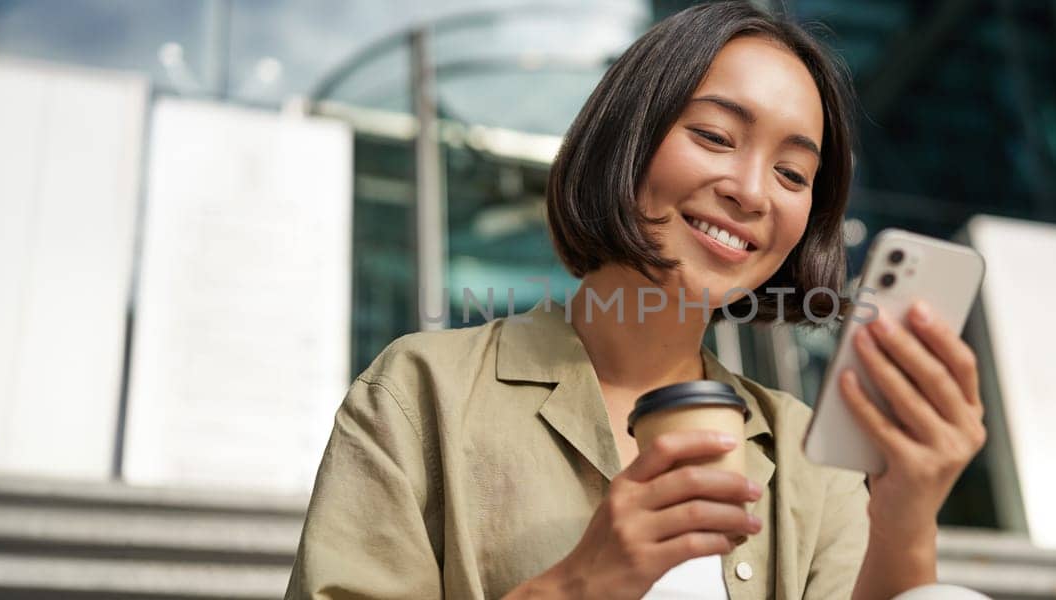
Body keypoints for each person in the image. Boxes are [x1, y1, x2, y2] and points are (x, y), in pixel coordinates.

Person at [286, 2, 987, 598]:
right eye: (714, 137)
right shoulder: (420, 394)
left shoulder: (811, 459)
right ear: (627, 137)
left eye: (793, 172)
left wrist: (904, 518)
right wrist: (578, 584)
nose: (751, 190)